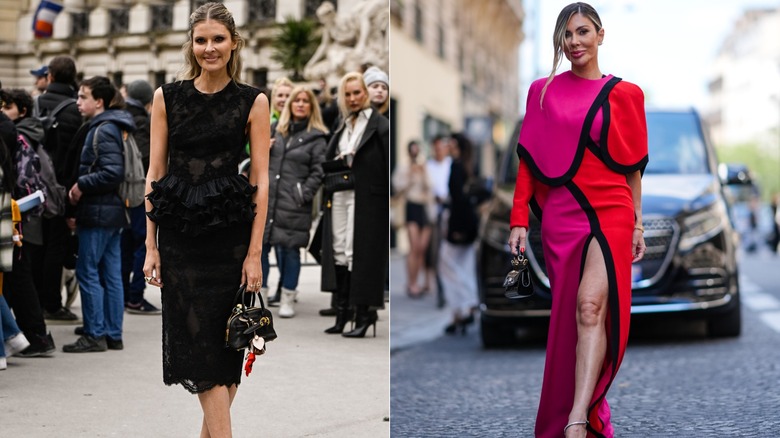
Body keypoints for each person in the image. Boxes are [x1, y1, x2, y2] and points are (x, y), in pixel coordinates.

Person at [507, 3, 648, 437]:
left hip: (613, 210)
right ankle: (578, 413)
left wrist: (638, 223)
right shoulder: (542, 91)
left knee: (591, 307)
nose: (574, 42)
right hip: (562, 213)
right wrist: (518, 218)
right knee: (569, 313)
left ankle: (576, 419)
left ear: (600, 35)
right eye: (567, 35)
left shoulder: (627, 94)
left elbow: (633, 169)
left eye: (583, 32)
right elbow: (529, 160)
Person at [142, 3, 270, 435]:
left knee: (227, 349)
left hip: (230, 240)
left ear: (234, 43)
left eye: (218, 39)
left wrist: (254, 253)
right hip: (179, 238)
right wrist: (150, 244)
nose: (209, 48)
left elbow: (261, 181)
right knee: (198, 349)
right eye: (201, 40)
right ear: (191, 45)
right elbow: (154, 172)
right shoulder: (167, 97)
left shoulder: (253, 101)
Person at [62, 76, 134, 353]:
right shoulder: (113, 125)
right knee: (111, 273)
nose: (78, 102)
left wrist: (81, 185)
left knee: (88, 271)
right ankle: (113, 334)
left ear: (99, 101)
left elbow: (112, 172)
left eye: (83, 97)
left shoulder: (103, 129)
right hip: (112, 211)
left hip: (99, 211)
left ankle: (95, 334)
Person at [320, 71, 388, 338]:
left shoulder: (380, 124)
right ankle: (343, 312)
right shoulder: (344, 124)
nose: (352, 98)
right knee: (338, 250)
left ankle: (364, 313)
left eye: (357, 92)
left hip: (366, 196)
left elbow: (384, 164)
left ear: (366, 93)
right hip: (339, 192)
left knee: (355, 252)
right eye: (347, 94)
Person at [0, 90, 58, 357]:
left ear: (22, 110)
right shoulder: (25, 132)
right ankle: (23, 335)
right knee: (17, 276)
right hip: (20, 213)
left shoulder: (11, 132)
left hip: (13, 214)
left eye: (8, 106)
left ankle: (29, 336)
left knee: (18, 277)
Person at [262, 85, 327, 318]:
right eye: (296, 100)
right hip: (268, 199)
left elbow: (319, 172)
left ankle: (287, 297)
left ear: (311, 106)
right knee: (261, 248)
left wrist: (303, 194)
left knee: (290, 251)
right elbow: (256, 158)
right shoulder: (275, 129)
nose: (300, 104)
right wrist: (263, 148)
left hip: (293, 204)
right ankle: (261, 296)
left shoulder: (317, 137)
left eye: (305, 100)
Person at [34, 55, 83, 324]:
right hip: (62, 187)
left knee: (35, 246)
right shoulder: (75, 110)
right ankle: (51, 304)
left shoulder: (35, 103)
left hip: (32, 186)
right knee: (57, 246)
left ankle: (37, 301)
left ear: (50, 76)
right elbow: (76, 155)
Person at [120, 79, 159, 314]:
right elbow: (147, 160)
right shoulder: (143, 122)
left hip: (121, 194)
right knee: (142, 244)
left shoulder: (120, 118)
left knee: (125, 245)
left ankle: (125, 294)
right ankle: (134, 296)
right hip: (139, 194)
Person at [438, 133, 479, 334]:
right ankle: (461, 312)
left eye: (450, 143)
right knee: (464, 266)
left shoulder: (456, 166)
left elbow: (458, 201)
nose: (447, 145)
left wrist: (455, 229)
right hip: (469, 223)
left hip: (459, 224)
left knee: (447, 266)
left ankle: (466, 304)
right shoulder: (469, 165)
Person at [391, 140, 434, 298]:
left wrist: (423, 172)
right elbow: (397, 186)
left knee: (422, 248)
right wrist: (410, 175)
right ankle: (411, 282)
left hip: (425, 208)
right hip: (411, 206)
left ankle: (420, 281)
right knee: (414, 247)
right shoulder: (403, 167)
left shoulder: (425, 166)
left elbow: (431, 186)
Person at [425, 135, 452, 306]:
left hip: (451, 213)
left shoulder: (451, 164)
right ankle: (440, 290)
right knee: (436, 253)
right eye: (436, 147)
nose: (439, 151)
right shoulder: (428, 166)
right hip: (434, 214)